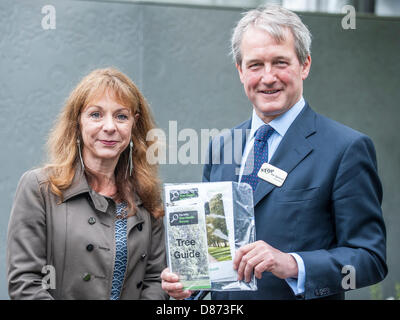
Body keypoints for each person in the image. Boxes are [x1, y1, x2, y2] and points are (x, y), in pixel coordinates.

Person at [161, 5, 387, 300]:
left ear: (304, 65)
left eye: (280, 62)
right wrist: (192, 287)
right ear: (241, 71)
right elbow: (214, 255)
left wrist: (293, 264)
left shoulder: (346, 149)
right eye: (255, 65)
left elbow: (369, 258)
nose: (268, 77)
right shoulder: (221, 147)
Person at [7, 67, 168, 300]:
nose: (110, 127)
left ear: (134, 125)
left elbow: (155, 280)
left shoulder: (147, 196)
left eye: (121, 116)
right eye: (96, 114)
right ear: (77, 121)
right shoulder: (40, 188)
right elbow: (25, 283)